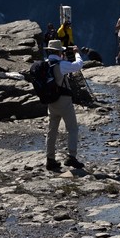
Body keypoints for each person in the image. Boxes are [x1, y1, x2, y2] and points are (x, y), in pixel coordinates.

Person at [42, 39, 86, 171]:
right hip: (64, 100)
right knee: (72, 129)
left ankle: (50, 159)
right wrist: (77, 53)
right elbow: (79, 65)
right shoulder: (61, 65)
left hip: (51, 101)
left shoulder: (45, 64)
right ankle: (71, 156)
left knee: (52, 130)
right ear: (59, 52)